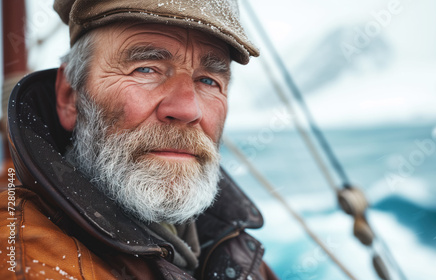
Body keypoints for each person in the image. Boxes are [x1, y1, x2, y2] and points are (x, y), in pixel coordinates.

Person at [0, 0, 278, 279]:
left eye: (208, 81)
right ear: (70, 97)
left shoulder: (233, 246)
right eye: (145, 69)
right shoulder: (29, 265)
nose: (187, 110)